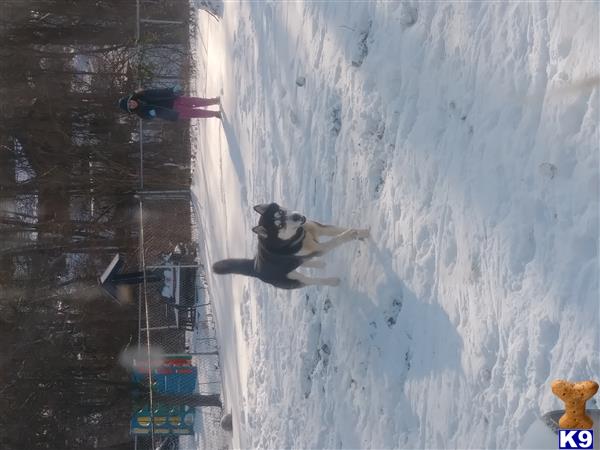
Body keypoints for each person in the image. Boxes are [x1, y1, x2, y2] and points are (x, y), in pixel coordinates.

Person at [118, 86, 221, 121]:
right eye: (130, 106)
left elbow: (158, 92)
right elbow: (150, 117)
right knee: (195, 113)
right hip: (173, 112)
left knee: (195, 101)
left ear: (130, 99)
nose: (132, 104)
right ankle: (215, 114)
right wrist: (152, 114)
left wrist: (172, 90)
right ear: (131, 109)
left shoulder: (142, 95)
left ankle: (214, 101)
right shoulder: (141, 113)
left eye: (129, 102)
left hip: (173, 99)